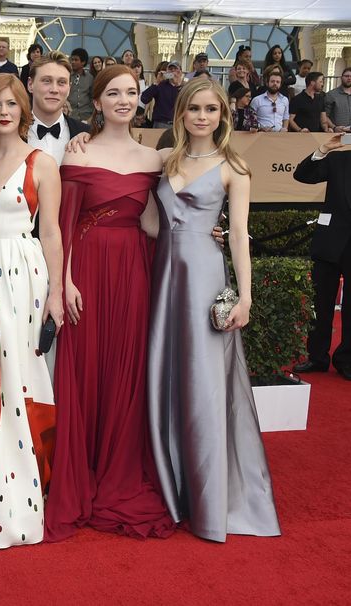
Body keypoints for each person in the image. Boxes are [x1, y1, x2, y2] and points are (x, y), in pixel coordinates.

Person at [45, 65, 175, 542]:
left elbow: (157, 224)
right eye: (113, 93)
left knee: (126, 368)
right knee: (85, 370)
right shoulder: (74, 153)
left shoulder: (156, 159)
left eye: (131, 92)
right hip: (86, 276)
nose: (123, 99)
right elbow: (64, 222)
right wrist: (67, 279)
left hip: (132, 274)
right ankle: (81, 470)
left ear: (140, 100)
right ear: (96, 102)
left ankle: (118, 468)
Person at [149, 77, 281, 541]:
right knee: (166, 378)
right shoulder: (165, 160)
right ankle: (172, 484)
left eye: (211, 109)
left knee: (205, 383)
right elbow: (149, 223)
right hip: (164, 279)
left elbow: (240, 235)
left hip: (205, 280)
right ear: (181, 113)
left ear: (223, 114)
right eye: (194, 109)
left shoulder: (234, 167)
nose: (203, 116)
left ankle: (209, 502)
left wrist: (245, 297)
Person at [0, 73, 63, 548]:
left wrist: (58, 295)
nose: (4, 111)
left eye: (12, 104)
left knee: (16, 378)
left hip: (23, 277)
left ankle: (19, 501)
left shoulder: (42, 163)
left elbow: (52, 234)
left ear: (24, 110)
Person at [292, 134, 351, 381]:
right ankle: (317, 357)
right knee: (320, 304)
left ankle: (346, 360)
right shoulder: (338, 160)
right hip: (330, 244)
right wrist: (323, 149)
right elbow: (302, 175)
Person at [27, 51, 90, 166]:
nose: (54, 89)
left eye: (61, 82)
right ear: (30, 84)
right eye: (47, 81)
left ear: (69, 88)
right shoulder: (11, 134)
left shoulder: (86, 134)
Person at [141, 60, 183, 128]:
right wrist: (157, 82)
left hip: (177, 124)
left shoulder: (184, 87)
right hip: (160, 123)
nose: (172, 71)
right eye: (170, 69)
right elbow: (144, 98)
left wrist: (177, 85)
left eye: (175, 69)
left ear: (180, 72)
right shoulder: (160, 85)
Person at [67, 48, 94, 122]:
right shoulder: (66, 76)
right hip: (70, 117)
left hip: (86, 116)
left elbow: (93, 97)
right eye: (72, 60)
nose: (72, 62)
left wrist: (91, 118)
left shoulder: (90, 78)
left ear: (83, 62)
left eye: (76, 60)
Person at [323, 68, 351, 133]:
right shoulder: (331, 94)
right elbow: (324, 115)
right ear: (341, 77)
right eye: (346, 76)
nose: (349, 78)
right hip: (338, 133)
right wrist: (334, 127)